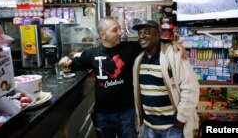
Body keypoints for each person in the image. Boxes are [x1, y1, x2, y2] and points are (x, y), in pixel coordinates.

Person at [58, 16, 187, 138]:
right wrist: (65, 62)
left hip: (127, 112)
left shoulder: (130, 48)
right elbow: (72, 66)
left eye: (120, 28)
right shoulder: (91, 53)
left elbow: (152, 42)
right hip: (102, 113)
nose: (120, 32)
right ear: (103, 35)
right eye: (115, 30)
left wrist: (173, 42)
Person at [132, 20, 200, 138]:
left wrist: (180, 122)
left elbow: (191, 89)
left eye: (147, 32)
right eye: (140, 33)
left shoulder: (174, 55)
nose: (142, 36)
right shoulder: (139, 59)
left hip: (172, 128)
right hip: (149, 127)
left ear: (158, 35)